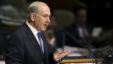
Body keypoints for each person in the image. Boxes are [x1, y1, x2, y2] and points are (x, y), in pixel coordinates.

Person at [5, 1, 71, 64]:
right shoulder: (18, 37)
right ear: (33, 17)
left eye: (49, 16)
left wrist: (54, 58)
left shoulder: (41, 33)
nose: (48, 20)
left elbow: (43, 59)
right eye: (45, 16)